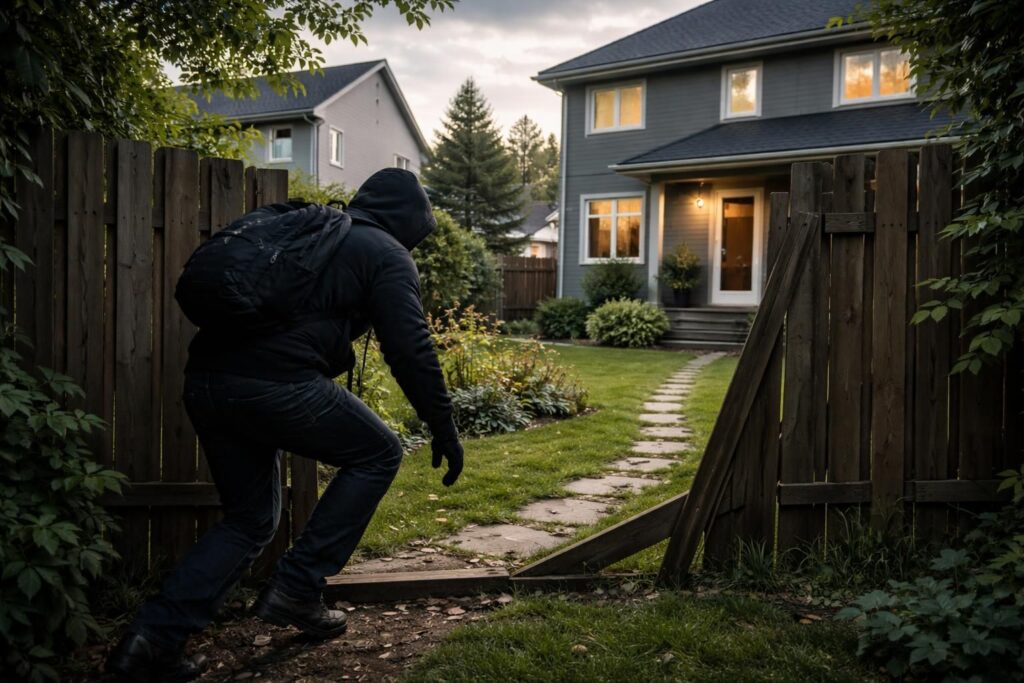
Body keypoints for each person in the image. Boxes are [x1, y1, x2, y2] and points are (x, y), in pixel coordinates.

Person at [107, 169, 463, 682]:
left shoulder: (311, 230)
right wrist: (443, 425)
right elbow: (410, 348)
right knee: (378, 452)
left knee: (250, 520)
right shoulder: (385, 253)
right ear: (411, 222)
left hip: (207, 382)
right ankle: (298, 586)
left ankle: (149, 642)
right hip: (275, 385)